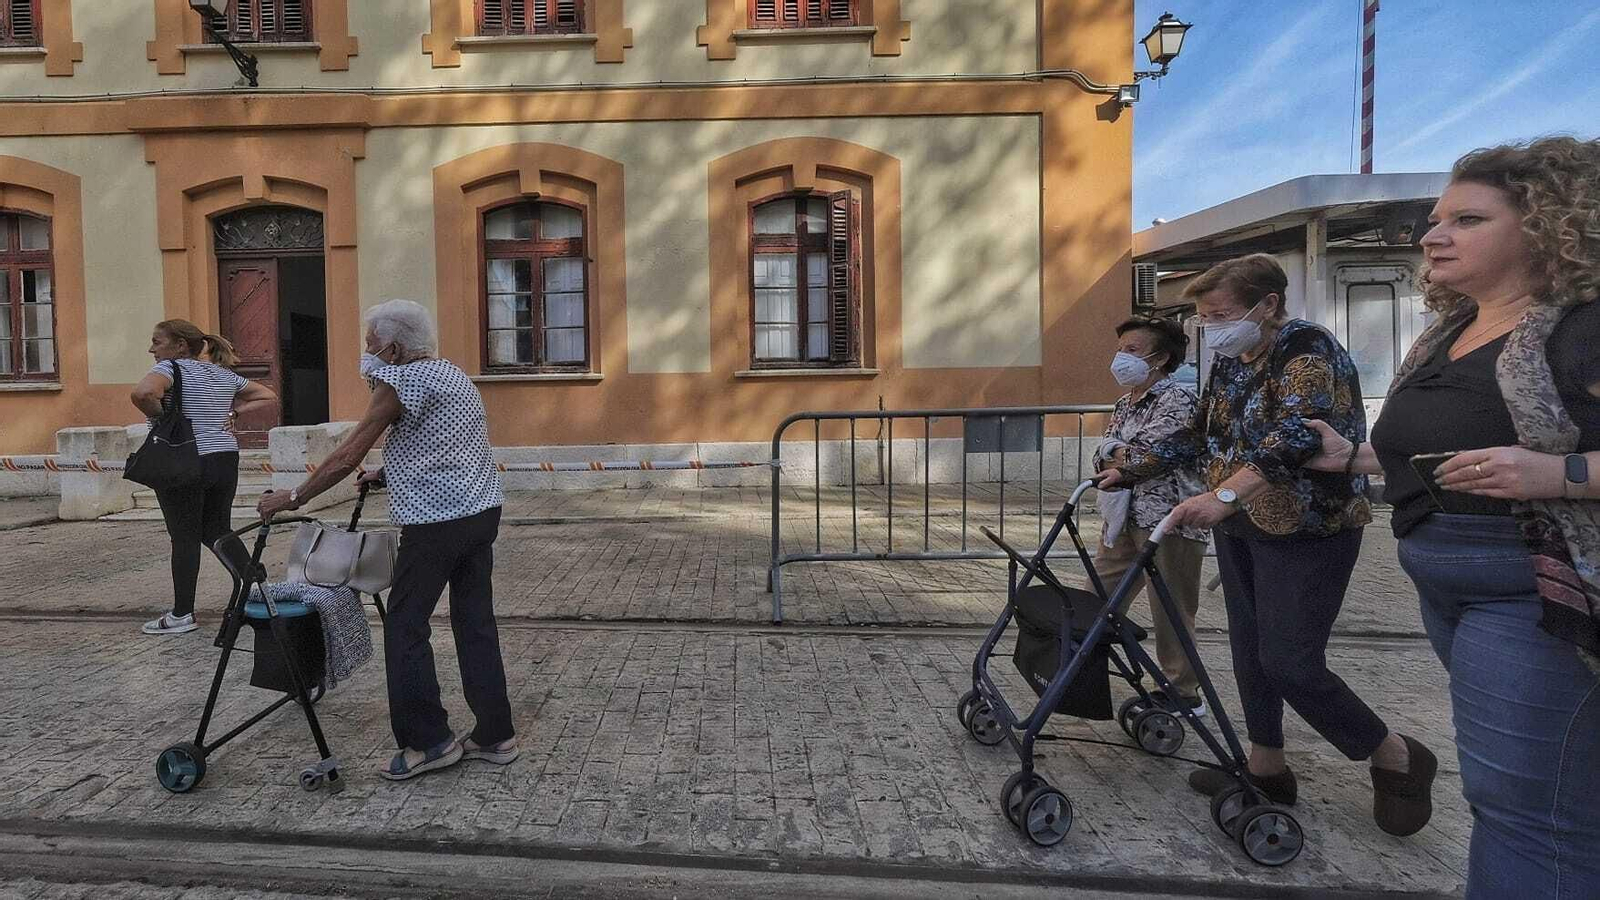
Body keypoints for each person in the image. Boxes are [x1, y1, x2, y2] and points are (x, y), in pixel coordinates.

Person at [1304, 137, 1600, 897]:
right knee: (1525, 797)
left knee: (1525, 811)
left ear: (1549, 225)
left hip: (1533, 590)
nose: (1433, 236)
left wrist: (1563, 474)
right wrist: (1353, 457)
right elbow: (1445, 454)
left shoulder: (1583, 327)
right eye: (1435, 221)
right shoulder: (1451, 332)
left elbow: (1533, 464)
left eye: (1467, 220)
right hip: (1448, 587)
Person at [1100, 253, 1437, 837]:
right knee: (1251, 653)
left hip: (1308, 528)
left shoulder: (1307, 350)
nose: (1210, 327)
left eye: (1221, 314)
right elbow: (1200, 431)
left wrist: (1225, 496)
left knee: (1290, 662)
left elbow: (1296, 437)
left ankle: (1394, 753)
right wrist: (1133, 469)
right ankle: (1266, 766)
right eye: (1204, 317)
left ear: (1268, 304)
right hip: (1242, 526)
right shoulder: (1233, 360)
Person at [257, 299, 516, 781]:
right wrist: (388, 472)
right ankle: (495, 733)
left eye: (371, 344)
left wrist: (292, 497)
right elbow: (444, 442)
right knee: (474, 621)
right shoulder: (453, 374)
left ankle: (429, 742)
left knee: (405, 625)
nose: (367, 352)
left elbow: (346, 454)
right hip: (481, 512)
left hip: (437, 523)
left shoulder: (399, 381)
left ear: (393, 349)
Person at [1092, 316, 1210, 716]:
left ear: (1159, 358)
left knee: (1171, 608)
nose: (1120, 358)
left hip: (1169, 518)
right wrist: (1118, 453)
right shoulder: (1125, 403)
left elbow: (1151, 455)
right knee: (1097, 597)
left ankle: (1183, 692)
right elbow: (1104, 456)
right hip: (1123, 515)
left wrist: (1118, 452)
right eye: (1119, 349)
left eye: (1132, 350)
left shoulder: (1178, 400)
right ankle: (1079, 668)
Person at [132, 319, 277, 636]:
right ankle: (259, 589)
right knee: (217, 528)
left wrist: (164, 418)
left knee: (183, 535)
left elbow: (143, 393)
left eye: (157, 341)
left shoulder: (170, 368)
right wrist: (234, 413)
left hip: (184, 458)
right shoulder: (222, 374)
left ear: (180, 345)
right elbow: (267, 395)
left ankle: (182, 614)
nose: (151, 349)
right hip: (224, 457)